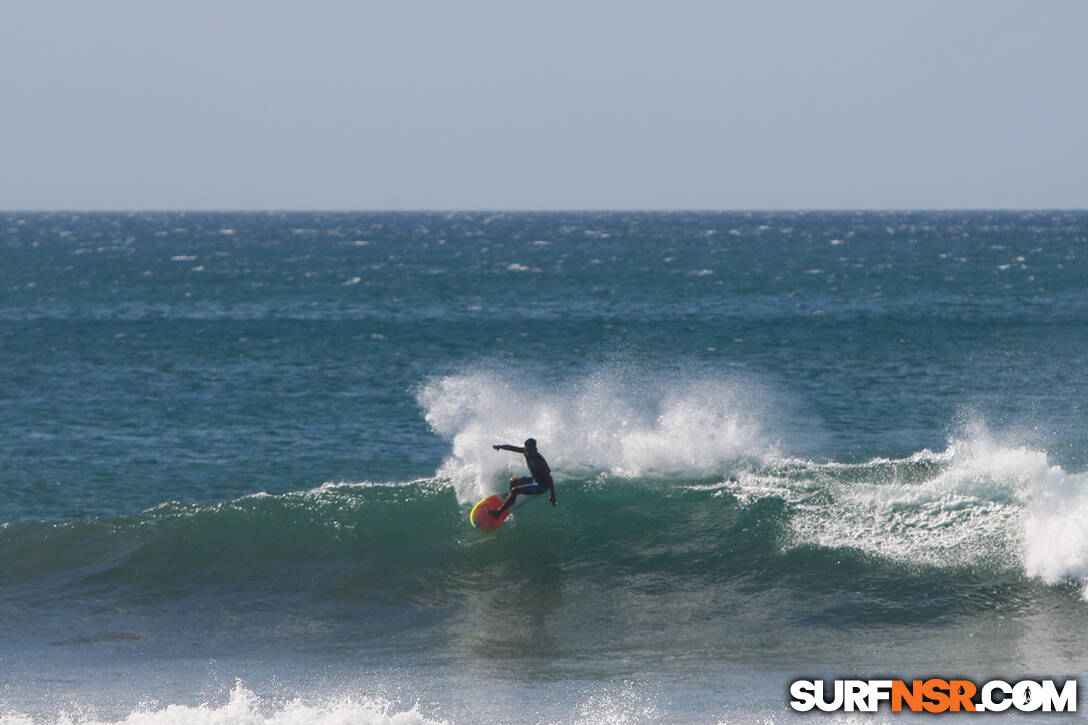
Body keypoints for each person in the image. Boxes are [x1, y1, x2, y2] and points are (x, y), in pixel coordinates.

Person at [489, 437, 556, 516]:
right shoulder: (525, 451)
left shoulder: (539, 462)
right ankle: (511, 500)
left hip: (542, 486)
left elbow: (550, 479)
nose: (528, 453)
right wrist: (500, 446)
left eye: (530, 450)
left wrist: (552, 495)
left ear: (535, 449)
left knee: (515, 490)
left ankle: (499, 512)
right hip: (534, 480)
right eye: (526, 449)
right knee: (513, 481)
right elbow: (512, 448)